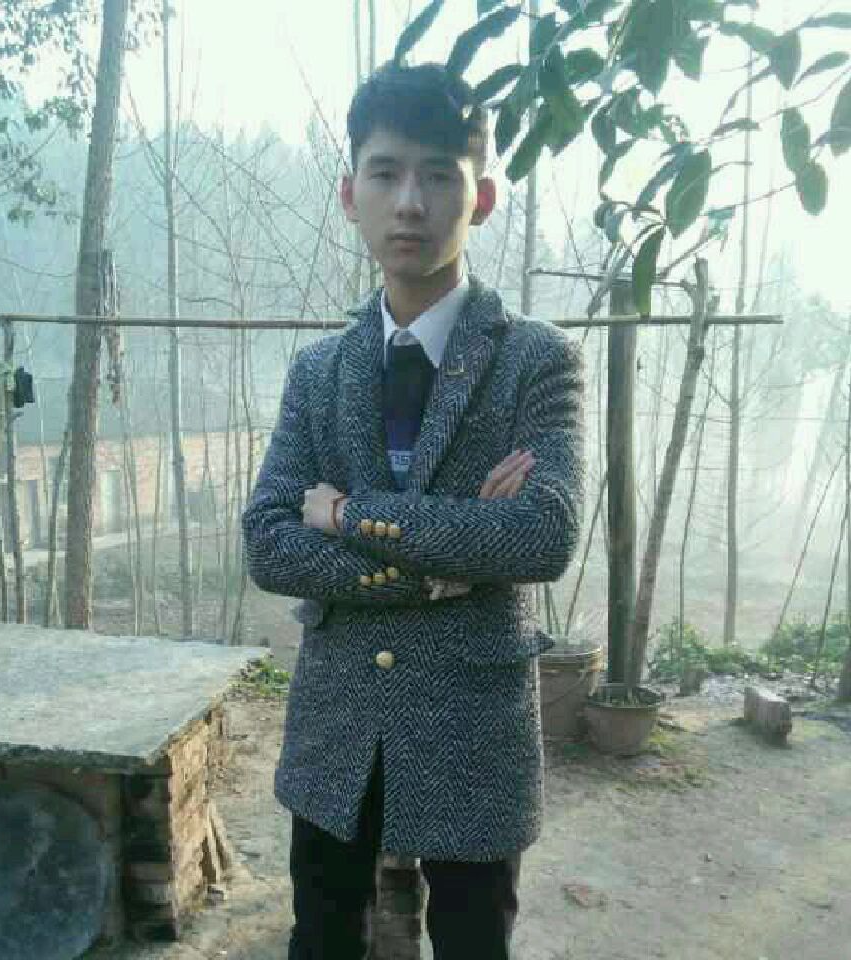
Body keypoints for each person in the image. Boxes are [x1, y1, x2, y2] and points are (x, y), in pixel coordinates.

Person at [242, 60, 583, 960]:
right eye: (386, 173)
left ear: (482, 198)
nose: (410, 203)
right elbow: (268, 542)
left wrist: (345, 514)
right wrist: (452, 562)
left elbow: (543, 534)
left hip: (473, 726)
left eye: (438, 175)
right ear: (348, 194)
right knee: (322, 937)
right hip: (338, 722)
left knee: (474, 942)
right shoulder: (319, 372)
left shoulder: (537, 360)